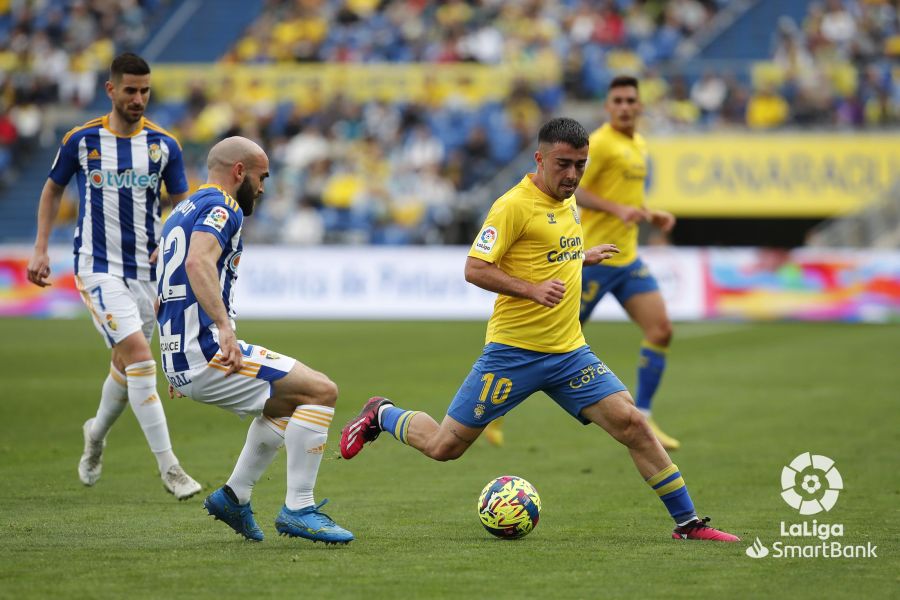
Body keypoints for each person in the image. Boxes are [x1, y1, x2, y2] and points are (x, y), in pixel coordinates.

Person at [340, 118, 739, 542]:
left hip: (569, 353)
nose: (572, 175)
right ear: (540, 158)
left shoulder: (568, 200)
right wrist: (530, 290)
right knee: (444, 448)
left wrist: (582, 256)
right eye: (562, 164)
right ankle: (381, 413)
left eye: (580, 165)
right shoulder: (512, 205)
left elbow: (546, 250)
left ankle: (689, 524)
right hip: (513, 354)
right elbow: (475, 268)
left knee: (633, 424)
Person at [156, 136, 353, 544]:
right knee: (321, 391)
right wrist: (223, 329)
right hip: (206, 347)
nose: (263, 187)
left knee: (289, 401)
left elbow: (164, 281)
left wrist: (174, 356)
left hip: (185, 353)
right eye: (262, 177)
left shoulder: (181, 211)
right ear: (239, 172)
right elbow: (196, 262)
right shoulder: (224, 206)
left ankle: (235, 496)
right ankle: (300, 508)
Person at [26, 52, 201, 499]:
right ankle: (171, 468)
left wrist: (173, 257)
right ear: (111, 90)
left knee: (126, 366)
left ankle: (95, 435)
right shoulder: (82, 141)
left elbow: (184, 207)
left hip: (147, 272)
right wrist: (41, 248)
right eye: (130, 90)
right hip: (97, 267)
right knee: (142, 359)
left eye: (145, 91)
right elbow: (52, 190)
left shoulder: (164, 146)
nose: (139, 99)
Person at [576, 75, 680, 450]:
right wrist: (616, 209)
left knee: (661, 329)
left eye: (629, 101)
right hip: (592, 258)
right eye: (616, 100)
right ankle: (495, 409)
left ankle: (647, 418)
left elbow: (627, 200)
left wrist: (651, 215)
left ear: (639, 106)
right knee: (547, 340)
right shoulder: (600, 144)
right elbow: (576, 189)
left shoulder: (639, 144)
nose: (623, 106)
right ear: (607, 106)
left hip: (628, 260)